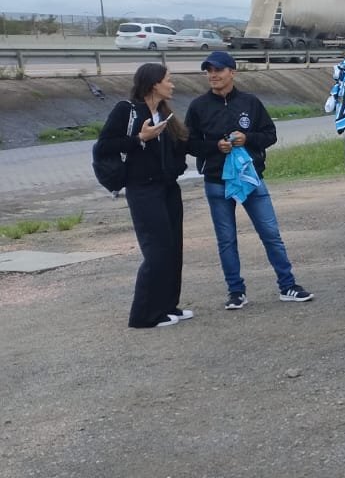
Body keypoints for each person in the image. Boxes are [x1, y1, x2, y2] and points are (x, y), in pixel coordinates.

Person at [184, 50, 313, 310]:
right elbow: (189, 143)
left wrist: (248, 138)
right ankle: (236, 291)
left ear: (232, 72)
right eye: (209, 71)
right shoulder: (199, 106)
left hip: (251, 178)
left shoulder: (250, 102)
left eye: (218, 70)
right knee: (227, 239)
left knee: (270, 233)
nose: (213, 75)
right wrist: (214, 147)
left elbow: (270, 134)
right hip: (217, 180)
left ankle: (287, 285)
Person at [99, 63, 191, 328]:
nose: (172, 84)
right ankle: (143, 316)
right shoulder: (126, 110)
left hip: (167, 188)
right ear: (154, 84)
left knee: (173, 248)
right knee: (157, 250)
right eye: (168, 80)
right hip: (143, 190)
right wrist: (140, 137)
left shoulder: (164, 113)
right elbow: (104, 146)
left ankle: (167, 306)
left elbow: (179, 147)